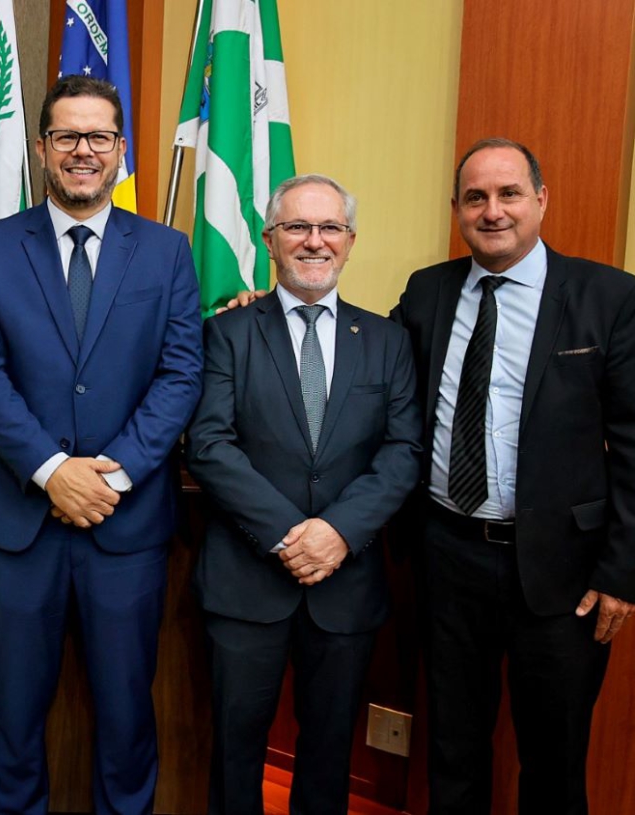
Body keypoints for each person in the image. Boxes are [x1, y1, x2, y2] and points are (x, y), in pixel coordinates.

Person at [0, 75, 203, 814]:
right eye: (67, 136)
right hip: (19, 528)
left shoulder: (166, 252)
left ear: (120, 150)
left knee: (128, 717)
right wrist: (52, 470)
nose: (83, 150)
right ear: (42, 148)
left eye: (98, 137)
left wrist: (110, 477)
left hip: (126, 528)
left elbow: (181, 373)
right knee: (14, 719)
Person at [390, 138, 635, 814]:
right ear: (457, 210)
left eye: (508, 194)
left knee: (554, 759)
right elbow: (370, 374)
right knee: (453, 745)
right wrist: (273, 307)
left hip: (564, 572)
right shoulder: (427, 290)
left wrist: (621, 570)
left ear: (540, 200)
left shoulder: (608, 297)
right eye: (475, 197)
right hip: (448, 556)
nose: (492, 211)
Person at [185, 174, 421, 814]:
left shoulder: (388, 342)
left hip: (345, 587)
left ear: (349, 242)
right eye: (297, 227)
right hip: (246, 582)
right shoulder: (226, 334)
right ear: (269, 240)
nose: (313, 242)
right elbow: (208, 444)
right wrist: (292, 534)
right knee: (236, 753)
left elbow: (403, 452)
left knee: (328, 754)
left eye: (329, 229)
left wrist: (338, 532)